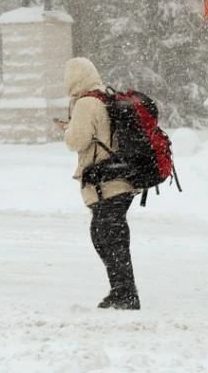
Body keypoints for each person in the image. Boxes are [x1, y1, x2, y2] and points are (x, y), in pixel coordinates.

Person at [55, 57, 141, 310]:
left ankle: (125, 293)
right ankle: (122, 290)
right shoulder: (105, 96)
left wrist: (68, 130)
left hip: (107, 182)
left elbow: (76, 141)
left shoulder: (86, 103)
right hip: (121, 178)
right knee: (110, 236)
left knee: (107, 237)